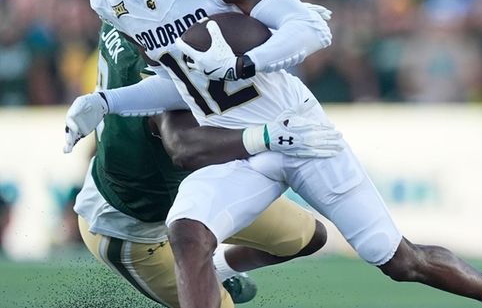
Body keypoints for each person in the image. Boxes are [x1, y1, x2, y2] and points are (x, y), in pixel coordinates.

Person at [62, 0, 482, 308]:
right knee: (188, 233)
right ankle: (221, 276)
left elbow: (309, 27)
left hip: (298, 132)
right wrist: (105, 102)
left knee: (398, 260)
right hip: (240, 147)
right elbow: (179, 85)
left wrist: (241, 63)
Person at [74, 20, 334, 308]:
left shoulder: (119, 8)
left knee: (308, 237)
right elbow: (183, 148)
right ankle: (204, 279)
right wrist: (264, 137)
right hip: (133, 228)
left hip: (188, 190)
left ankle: (218, 271)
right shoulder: (153, 65)